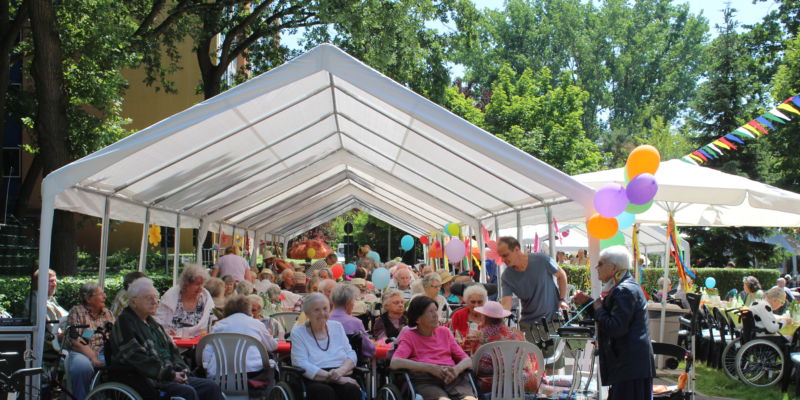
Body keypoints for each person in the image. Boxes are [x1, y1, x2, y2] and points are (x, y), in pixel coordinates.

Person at [110, 278, 223, 400]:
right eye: (149, 298)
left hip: (168, 374)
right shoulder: (125, 323)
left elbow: (172, 350)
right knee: (187, 392)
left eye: (156, 297)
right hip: (148, 380)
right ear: (133, 302)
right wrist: (170, 375)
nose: (155, 302)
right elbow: (138, 359)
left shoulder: (151, 322)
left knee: (210, 386)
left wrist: (181, 369)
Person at [572, 246, 655, 400]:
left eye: (601, 264)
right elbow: (609, 317)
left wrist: (597, 307)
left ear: (613, 267)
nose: (597, 268)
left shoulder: (624, 290)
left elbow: (615, 327)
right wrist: (589, 303)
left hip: (630, 365)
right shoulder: (624, 287)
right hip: (630, 364)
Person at [497, 236, 568, 364]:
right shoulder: (507, 276)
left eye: (505, 255)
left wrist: (562, 299)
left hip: (551, 322)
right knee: (532, 371)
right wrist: (494, 321)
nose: (503, 260)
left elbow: (561, 275)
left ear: (517, 249)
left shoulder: (542, 260)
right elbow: (506, 305)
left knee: (553, 370)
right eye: (501, 256)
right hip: (529, 327)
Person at [390, 296, 476, 400]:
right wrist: (430, 368)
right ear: (418, 318)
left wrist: (456, 370)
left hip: (452, 377)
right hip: (426, 380)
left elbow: (467, 360)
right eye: (430, 312)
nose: (436, 315)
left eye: (436, 310)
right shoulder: (409, 336)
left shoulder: (445, 332)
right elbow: (395, 362)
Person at [290, 293, 361, 399]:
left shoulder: (337, 326)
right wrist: (334, 378)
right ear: (307, 313)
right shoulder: (298, 332)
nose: (322, 313)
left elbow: (350, 353)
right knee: (323, 392)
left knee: (351, 389)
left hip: (340, 371)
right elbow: (300, 363)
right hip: (315, 377)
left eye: (325, 309)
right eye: (316, 310)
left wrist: (341, 371)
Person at [463, 301, 539, 393]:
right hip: (524, 385)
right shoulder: (516, 334)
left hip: (494, 388)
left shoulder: (479, 337)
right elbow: (532, 360)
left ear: (483, 317)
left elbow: (476, 367)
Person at [203, 295, 278, 383]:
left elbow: (206, 356)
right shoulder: (256, 324)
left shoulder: (218, 325)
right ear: (248, 308)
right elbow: (272, 346)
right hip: (252, 374)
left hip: (221, 376)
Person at [66, 282, 115, 400]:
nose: (105, 296)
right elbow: (75, 339)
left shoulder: (107, 313)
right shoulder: (77, 311)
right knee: (82, 367)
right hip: (81, 351)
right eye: (101, 294)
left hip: (104, 350)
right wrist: (93, 357)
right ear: (88, 299)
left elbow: (114, 334)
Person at [156, 264, 215, 337]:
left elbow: (212, 320)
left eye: (202, 284)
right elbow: (159, 322)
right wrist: (166, 331)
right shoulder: (171, 296)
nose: (201, 288)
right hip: (173, 342)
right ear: (186, 284)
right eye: (197, 284)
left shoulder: (205, 297)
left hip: (198, 343)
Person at [24, 269, 68, 355]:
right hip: (50, 348)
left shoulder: (50, 299)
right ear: (40, 282)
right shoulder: (38, 301)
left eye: (55, 281)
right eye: (51, 281)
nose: (54, 284)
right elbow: (54, 333)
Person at [329, 284, 376, 359]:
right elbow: (369, 349)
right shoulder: (355, 323)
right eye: (353, 301)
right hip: (351, 364)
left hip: (326, 363)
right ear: (348, 303)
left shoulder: (323, 321)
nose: (354, 304)